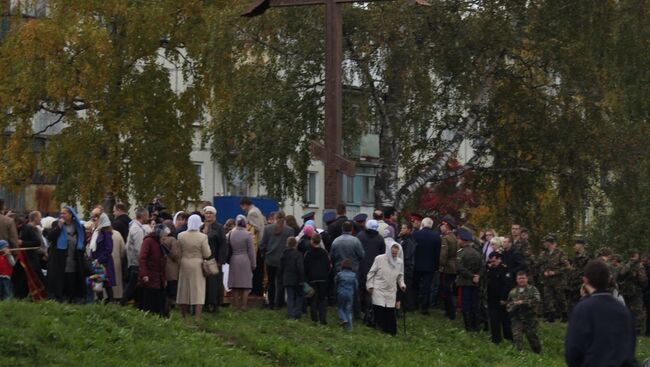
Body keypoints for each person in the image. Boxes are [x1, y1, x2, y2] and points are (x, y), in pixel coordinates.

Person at [565, 260, 637, 366]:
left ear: (585, 280)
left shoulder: (582, 309)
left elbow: (573, 350)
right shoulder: (622, 310)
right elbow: (630, 346)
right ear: (608, 280)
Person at [46, 206, 87, 303]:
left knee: (72, 277)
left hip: (74, 257)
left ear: (71, 214)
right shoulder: (56, 224)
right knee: (60, 278)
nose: (62, 215)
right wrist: (59, 226)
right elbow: (50, 237)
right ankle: (59, 298)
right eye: (61, 213)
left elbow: (83, 240)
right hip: (59, 257)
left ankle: (73, 298)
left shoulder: (79, 227)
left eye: (64, 213)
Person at [366, 242, 406, 335]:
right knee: (379, 308)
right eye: (392, 253)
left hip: (391, 290)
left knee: (390, 311)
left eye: (396, 253)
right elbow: (371, 273)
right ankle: (377, 325)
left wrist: (402, 284)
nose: (394, 254)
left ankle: (390, 331)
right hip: (379, 288)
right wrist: (370, 285)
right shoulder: (379, 259)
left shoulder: (399, 262)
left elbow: (400, 276)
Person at [177, 214, 211, 321]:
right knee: (198, 290)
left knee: (184, 289)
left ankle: (183, 316)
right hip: (197, 264)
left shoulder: (181, 235)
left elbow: (178, 251)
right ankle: (197, 317)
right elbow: (207, 254)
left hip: (184, 263)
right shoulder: (203, 237)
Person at [260, 211, 293, 308]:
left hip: (270, 259)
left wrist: (264, 255)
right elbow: (290, 246)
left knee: (270, 282)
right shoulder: (289, 230)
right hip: (283, 260)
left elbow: (263, 244)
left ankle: (271, 303)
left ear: (275, 218)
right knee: (281, 282)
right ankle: (280, 303)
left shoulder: (268, 229)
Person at [507, 271, 542, 354]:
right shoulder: (513, 292)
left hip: (530, 318)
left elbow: (537, 300)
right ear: (516, 280)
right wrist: (514, 305)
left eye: (523, 278)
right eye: (519, 278)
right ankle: (519, 356)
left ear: (527, 279)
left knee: (532, 337)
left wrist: (524, 302)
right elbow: (508, 305)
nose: (521, 280)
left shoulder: (532, 289)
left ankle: (539, 354)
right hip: (517, 319)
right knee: (517, 338)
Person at [412, 217, 441, 315]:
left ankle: (414, 304)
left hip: (416, 264)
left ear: (422, 224)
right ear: (431, 225)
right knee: (427, 287)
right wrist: (436, 266)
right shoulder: (436, 237)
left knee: (415, 286)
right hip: (430, 266)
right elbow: (437, 253)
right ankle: (424, 308)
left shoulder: (415, 234)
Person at [227, 215, 256, 311]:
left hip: (234, 259)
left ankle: (236, 305)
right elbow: (251, 251)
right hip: (245, 259)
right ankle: (244, 305)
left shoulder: (231, 233)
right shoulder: (247, 234)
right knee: (246, 285)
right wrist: (253, 264)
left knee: (235, 285)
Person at [356, 219, 385, 316]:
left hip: (361, 267)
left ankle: (360, 310)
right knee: (371, 290)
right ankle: (369, 311)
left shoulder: (360, 236)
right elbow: (383, 255)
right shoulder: (380, 239)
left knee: (361, 289)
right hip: (374, 268)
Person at [456, 227, 482, 332]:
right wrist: (477, 276)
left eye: (458, 239)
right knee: (475, 304)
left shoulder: (462, 253)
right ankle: (476, 326)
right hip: (475, 283)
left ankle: (469, 327)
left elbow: (460, 268)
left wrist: (471, 276)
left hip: (465, 282)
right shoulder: (477, 252)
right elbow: (482, 266)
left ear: (463, 240)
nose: (457, 241)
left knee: (466, 305)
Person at [201, 205, 227, 312]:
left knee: (213, 283)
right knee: (203, 282)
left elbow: (223, 245)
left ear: (214, 215)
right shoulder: (201, 227)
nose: (208, 215)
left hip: (214, 259)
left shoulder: (219, 227)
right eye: (207, 213)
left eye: (210, 213)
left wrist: (220, 260)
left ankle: (213, 304)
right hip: (203, 259)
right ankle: (203, 303)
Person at [138, 224, 168, 316]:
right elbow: (142, 258)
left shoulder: (160, 244)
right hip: (150, 276)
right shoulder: (148, 241)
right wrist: (144, 274)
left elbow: (162, 262)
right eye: (164, 236)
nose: (165, 238)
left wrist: (164, 278)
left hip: (159, 277)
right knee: (150, 299)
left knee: (159, 299)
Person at [122, 208, 149, 306]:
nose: (148, 218)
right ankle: (123, 301)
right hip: (136, 262)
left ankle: (131, 301)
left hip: (132, 260)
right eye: (147, 215)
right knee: (132, 284)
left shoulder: (133, 227)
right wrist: (142, 261)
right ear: (143, 216)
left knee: (132, 283)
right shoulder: (137, 229)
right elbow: (139, 248)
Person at [538, 235, 569, 322]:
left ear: (550, 243)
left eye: (545, 242)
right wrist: (543, 272)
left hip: (558, 281)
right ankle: (551, 316)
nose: (544, 244)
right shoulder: (544, 253)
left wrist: (555, 272)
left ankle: (564, 315)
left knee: (560, 298)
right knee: (548, 298)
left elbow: (566, 267)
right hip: (547, 280)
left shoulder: (560, 253)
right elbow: (540, 264)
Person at [618, 249, 648, 334]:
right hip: (636, 292)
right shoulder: (639, 266)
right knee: (637, 313)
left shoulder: (625, 264)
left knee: (627, 311)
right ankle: (636, 332)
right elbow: (643, 280)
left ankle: (626, 330)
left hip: (625, 291)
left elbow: (621, 274)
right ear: (637, 256)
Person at [486, 252, 513, 343]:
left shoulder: (504, 269)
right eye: (491, 261)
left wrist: (504, 298)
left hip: (502, 298)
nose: (492, 263)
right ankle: (496, 339)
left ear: (499, 259)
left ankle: (508, 337)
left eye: (494, 261)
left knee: (505, 319)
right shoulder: (490, 269)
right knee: (493, 319)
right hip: (491, 298)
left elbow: (507, 285)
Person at [304, 234, 330, 324]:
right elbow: (328, 266)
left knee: (313, 299)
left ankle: (314, 318)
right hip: (323, 278)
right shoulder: (324, 253)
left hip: (312, 278)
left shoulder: (308, 253)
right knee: (322, 299)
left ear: (312, 241)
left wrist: (307, 277)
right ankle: (323, 319)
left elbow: (305, 267)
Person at [89, 213, 116, 302]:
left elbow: (108, 249)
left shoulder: (106, 233)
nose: (93, 221)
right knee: (98, 282)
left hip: (104, 262)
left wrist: (99, 260)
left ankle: (111, 302)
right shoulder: (96, 232)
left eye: (95, 219)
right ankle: (101, 302)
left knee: (107, 283)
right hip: (96, 262)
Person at [278, 237, 304, 320]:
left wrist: (281, 277)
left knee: (290, 296)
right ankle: (297, 312)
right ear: (296, 244)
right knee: (299, 295)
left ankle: (290, 314)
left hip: (287, 278)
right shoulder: (298, 254)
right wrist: (302, 278)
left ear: (287, 244)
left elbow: (281, 268)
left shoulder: (283, 254)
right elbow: (300, 267)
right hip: (297, 278)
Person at [439, 215, 458, 320]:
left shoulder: (446, 238)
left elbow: (443, 255)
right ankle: (451, 311)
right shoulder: (454, 237)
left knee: (447, 290)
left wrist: (440, 266)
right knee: (451, 289)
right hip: (454, 266)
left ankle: (450, 313)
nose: (441, 228)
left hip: (447, 267)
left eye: (442, 225)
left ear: (446, 226)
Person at [160, 221, 180, 312]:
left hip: (162, 267)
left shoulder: (160, 239)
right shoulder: (172, 239)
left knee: (165, 288)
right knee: (172, 288)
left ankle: (164, 304)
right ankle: (172, 304)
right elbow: (175, 254)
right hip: (172, 268)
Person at [398, 222, 417, 311]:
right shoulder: (403, 239)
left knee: (407, 288)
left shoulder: (409, 241)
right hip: (404, 267)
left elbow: (407, 256)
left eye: (404, 228)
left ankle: (408, 306)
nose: (402, 230)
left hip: (407, 267)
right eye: (401, 228)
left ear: (409, 230)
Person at [335, 259, 358, 330]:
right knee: (349, 310)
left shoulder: (339, 274)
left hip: (341, 293)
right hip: (350, 294)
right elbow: (356, 285)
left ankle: (344, 319)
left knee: (340, 308)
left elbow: (335, 283)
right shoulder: (354, 275)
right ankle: (350, 328)